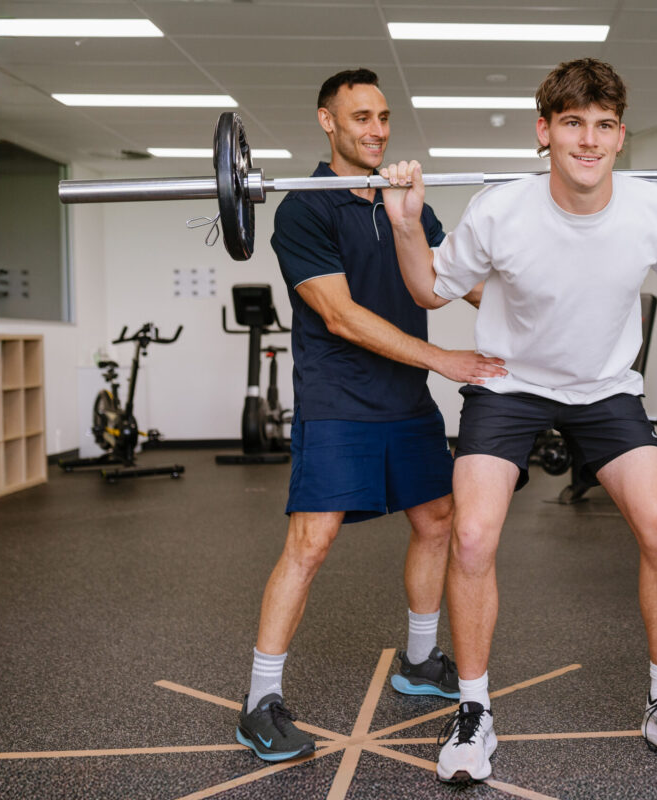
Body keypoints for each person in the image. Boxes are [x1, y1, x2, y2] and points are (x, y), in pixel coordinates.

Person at [382, 57, 657, 783]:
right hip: (510, 384)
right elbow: (430, 288)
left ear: (621, 137)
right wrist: (404, 226)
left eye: (603, 126)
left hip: (606, 388)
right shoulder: (499, 208)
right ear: (544, 133)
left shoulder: (649, 207)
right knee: (470, 536)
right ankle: (473, 711)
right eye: (572, 124)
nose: (588, 140)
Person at [234, 68, 507, 763]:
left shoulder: (404, 200)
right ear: (327, 122)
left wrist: (538, 308)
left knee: (437, 520)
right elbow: (340, 314)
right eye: (360, 117)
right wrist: (441, 358)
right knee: (312, 542)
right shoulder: (304, 209)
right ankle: (258, 700)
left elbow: (451, 278)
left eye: (383, 117)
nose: (377, 130)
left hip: (405, 402)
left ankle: (419, 661)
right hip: (338, 400)